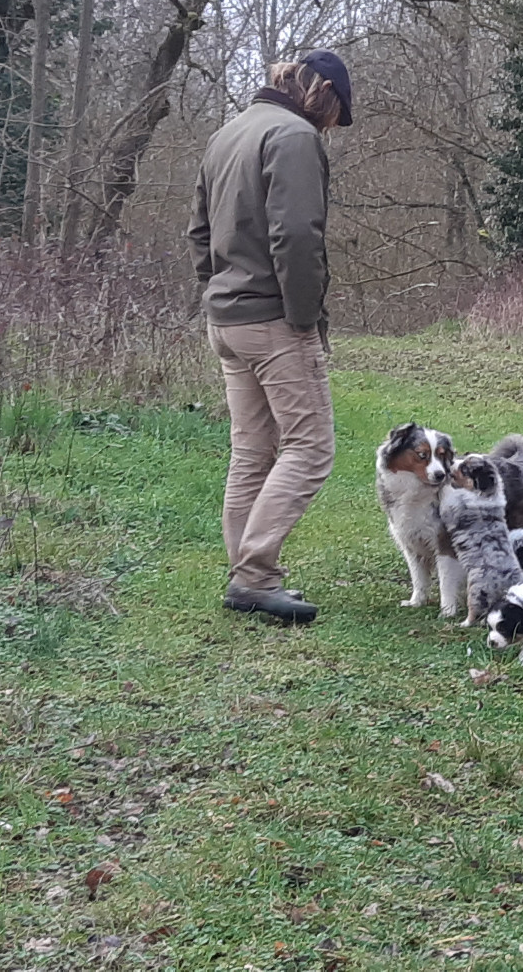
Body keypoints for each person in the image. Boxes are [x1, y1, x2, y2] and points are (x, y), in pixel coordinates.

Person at [186, 49, 354, 623]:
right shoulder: (293, 137)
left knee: (252, 451)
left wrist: (216, 294)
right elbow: (298, 238)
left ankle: (247, 575)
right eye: (335, 113)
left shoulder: (227, 134)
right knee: (310, 449)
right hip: (274, 321)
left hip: (226, 321)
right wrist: (303, 319)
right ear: (324, 94)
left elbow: (199, 234)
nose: (330, 126)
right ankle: (255, 576)